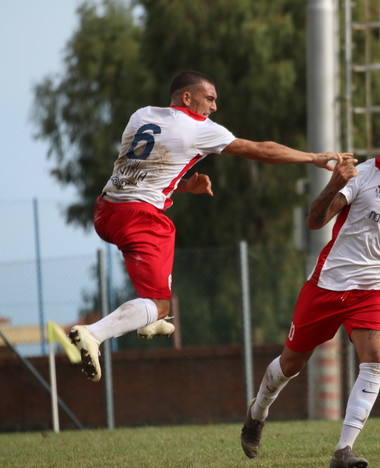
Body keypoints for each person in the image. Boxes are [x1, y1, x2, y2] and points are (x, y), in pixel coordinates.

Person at [69, 70, 347, 383]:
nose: (213, 107)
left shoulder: (142, 115)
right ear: (187, 98)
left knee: (156, 288)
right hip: (138, 216)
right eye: (209, 98)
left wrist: (186, 186)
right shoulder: (200, 128)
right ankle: (94, 334)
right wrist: (313, 158)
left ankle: (149, 318)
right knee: (159, 303)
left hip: (106, 211)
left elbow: (144, 171)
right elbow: (262, 151)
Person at [240, 115, 380, 468]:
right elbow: (315, 221)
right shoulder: (367, 173)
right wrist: (334, 183)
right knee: (291, 364)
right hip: (325, 285)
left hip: (371, 293)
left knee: (376, 357)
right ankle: (258, 412)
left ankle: (344, 450)